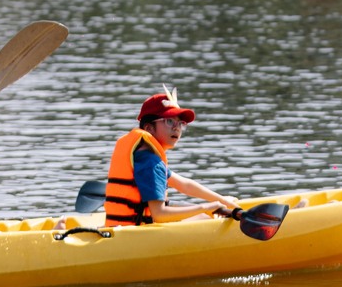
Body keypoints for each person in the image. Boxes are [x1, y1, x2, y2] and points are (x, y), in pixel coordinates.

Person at [103, 89, 240, 227]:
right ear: (149, 128)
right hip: (134, 236)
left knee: (201, 212)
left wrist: (223, 201)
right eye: (169, 121)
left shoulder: (143, 156)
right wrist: (205, 208)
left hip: (122, 229)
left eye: (180, 123)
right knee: (206, 217)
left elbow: (185, 185)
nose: (177, 128)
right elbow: (159, 214)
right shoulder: (150, 163)